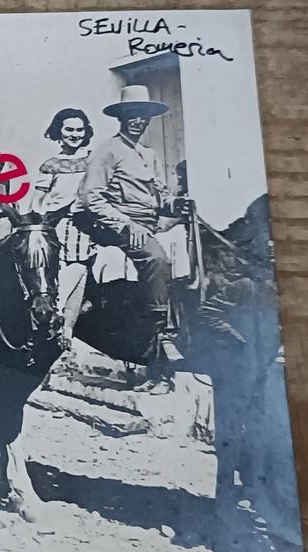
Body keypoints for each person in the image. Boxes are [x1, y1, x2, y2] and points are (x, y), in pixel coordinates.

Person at [75, 85, 188, 388]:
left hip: (149, 224)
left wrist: (178, 204)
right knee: (157, 260)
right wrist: (127, 225)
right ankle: (160, 334)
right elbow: (91, 198)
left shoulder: (149, 155)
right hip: (118, 225)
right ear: (122, 117)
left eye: (143, 116)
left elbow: (160, 197)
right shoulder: (107, 151)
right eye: (132, 115)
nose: (138, 121)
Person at [29, 108, 96, 346]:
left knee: (80, 270)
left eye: (79, 129)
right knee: (61, 272)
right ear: (59, 131)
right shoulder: (52, 164)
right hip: (57, 225)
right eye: (69, 129)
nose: (74, 134)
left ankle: (66, 330)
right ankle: (52, 319)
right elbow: (37, 200)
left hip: (85, 224)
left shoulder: (93, 160)